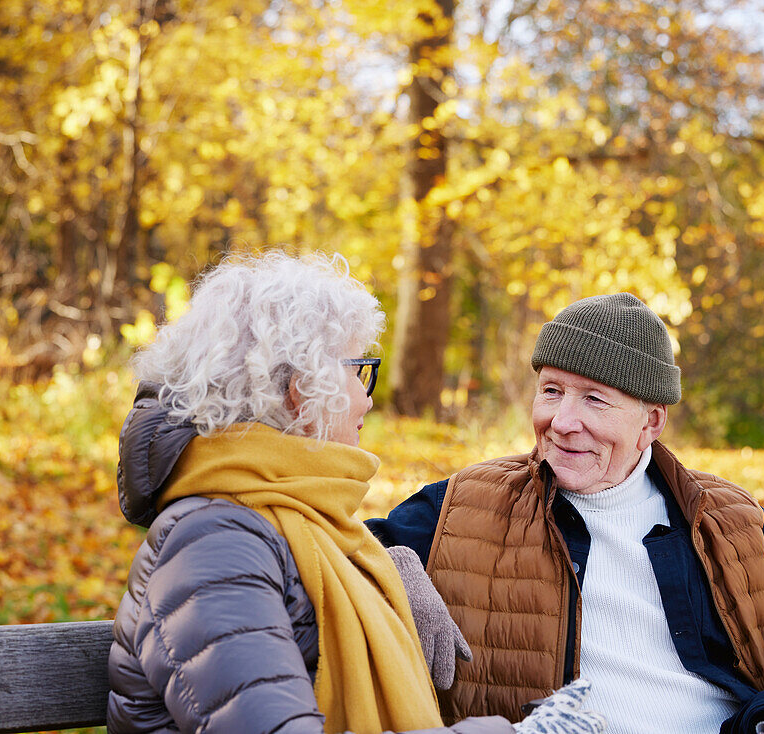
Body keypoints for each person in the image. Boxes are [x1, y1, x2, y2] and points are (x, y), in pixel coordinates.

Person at [106, 251, 608, 734]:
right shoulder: (214, 545)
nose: (367, 395)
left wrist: (381, 570)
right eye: (358, 370)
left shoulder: (291, 519)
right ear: (302, 389)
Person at [366, 293, 764, 734]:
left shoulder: (732, 522)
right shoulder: (465, 503)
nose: (563, 422)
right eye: (551, 391)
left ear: (651, 421)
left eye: (594, 399)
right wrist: (393, 565)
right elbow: (331, 547)